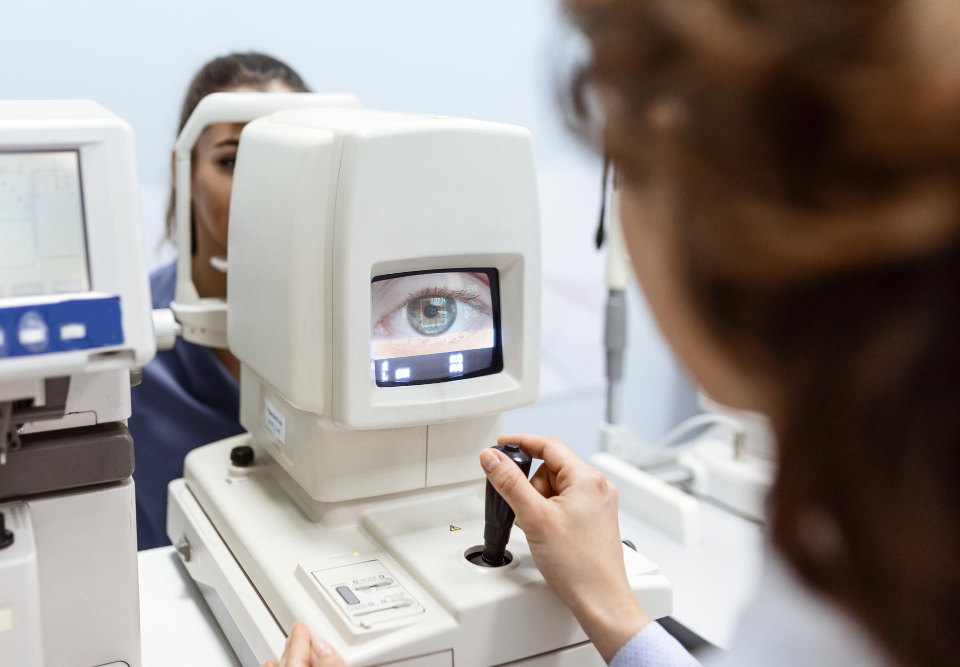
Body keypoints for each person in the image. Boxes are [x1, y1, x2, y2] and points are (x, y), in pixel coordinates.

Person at [268, 0, 960, 665]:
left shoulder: (851, 592)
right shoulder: (878, 529)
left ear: (724, 215)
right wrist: (612, 605)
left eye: (621, 166)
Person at [129, 53, 310, 550]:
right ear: (185, 168)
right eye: (232, 160)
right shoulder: (126, 338)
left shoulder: (360, 326)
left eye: (292, 159)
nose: (264, 186)